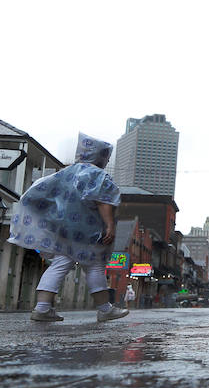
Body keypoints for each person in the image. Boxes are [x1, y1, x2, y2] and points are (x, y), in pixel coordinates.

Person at [8, 133, 129, 321]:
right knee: (95, 265)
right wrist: (109, 225)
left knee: (59, 264)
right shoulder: (98, 175)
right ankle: (105, 309)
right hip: (89, 231)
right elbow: (103, 201)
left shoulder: (67, 172)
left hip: (64, 231)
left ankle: (42, 308)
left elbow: (40, 190)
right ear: (101, 155)